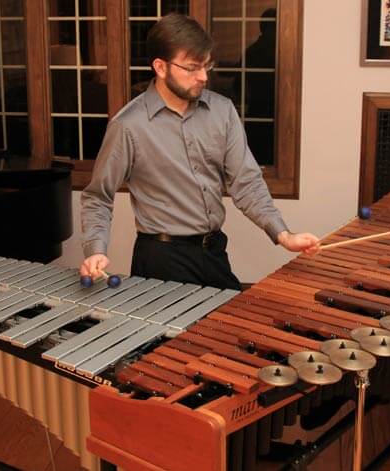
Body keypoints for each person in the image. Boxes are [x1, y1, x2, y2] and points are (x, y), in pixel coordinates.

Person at [79, 13, 319, 290]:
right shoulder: (128, 125)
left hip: (213, 250)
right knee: (171, 336)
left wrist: (283, 234)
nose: (203, 76)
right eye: (192, 67)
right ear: (160, 67)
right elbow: (97, 196)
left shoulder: (222, 111)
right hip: (161, 258)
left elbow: (247, 183)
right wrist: (96, 249)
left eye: (206, 66)